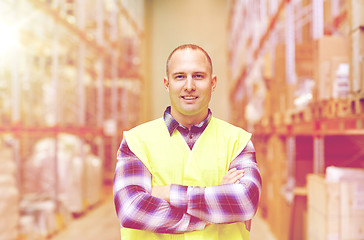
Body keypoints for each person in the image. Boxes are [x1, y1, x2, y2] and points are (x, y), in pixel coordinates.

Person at [113, 44, 262, 240]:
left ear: (213, 82)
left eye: (198, 76)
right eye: (180, 76)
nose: (189, 85)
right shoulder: (136, 142)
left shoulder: (237, 141)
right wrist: (211, 211)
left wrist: (167, 193)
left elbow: (244, 202)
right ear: (167, 84)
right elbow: (132, 209)